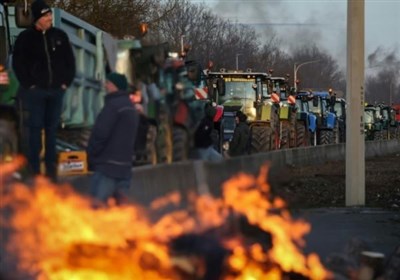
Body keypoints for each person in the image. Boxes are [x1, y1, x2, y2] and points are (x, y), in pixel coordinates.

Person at [12, 0, 75, 181]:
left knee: (51, 130)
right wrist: (29, 85)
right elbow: (18, 64)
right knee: (35, 129)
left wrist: (65, 83)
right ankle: (34, 170)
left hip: (56, 91)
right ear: (38, 18)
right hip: (35, 92)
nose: (50, 18)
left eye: (50, 15)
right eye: (46, 15)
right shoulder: (25, 39)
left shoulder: (59, 36)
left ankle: (50, 171)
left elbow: (69, 62)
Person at [87, 72, 139, 206]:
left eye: (108, 83)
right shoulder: (130, 107)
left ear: (115, 86)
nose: (105, 85)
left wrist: (91, 155)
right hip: (125, 169)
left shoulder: (113, 106)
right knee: (120, 213)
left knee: (97, 211)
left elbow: (100, 134)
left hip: (107, 168)